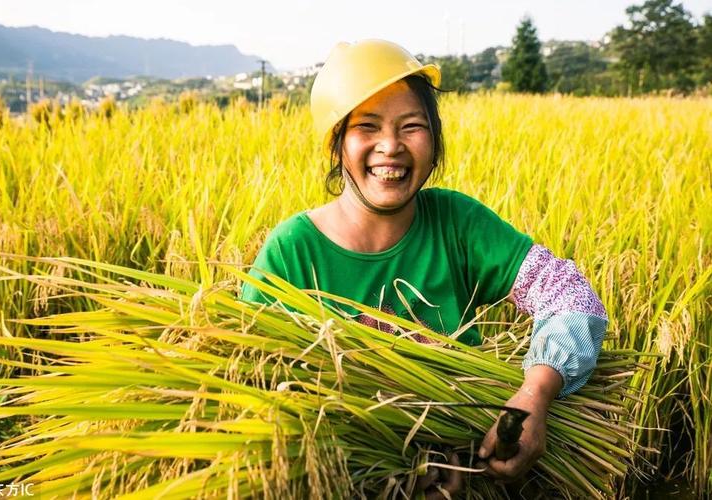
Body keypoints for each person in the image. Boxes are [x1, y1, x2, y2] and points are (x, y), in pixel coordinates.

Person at [241, 39, 607, 497]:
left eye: (411, 126)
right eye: (367, 127)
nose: (390, 146)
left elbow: (570, 297)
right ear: (337, 144)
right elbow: (251, 383)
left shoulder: (457, 223)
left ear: (434, 142)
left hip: (477, 470)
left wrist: (535, 395)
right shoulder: (293, 251)